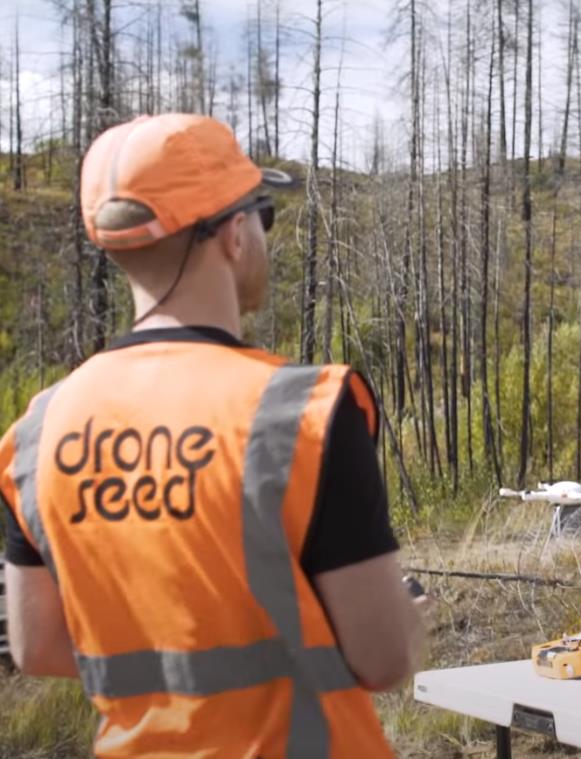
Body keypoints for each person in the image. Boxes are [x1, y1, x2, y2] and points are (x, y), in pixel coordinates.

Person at [0, 113, 426, 758]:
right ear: (232, 234)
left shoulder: (35, 433)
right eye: (263, 216)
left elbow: (38, 647)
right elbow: (383, 659)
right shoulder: (303, 410)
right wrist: (407, 616)